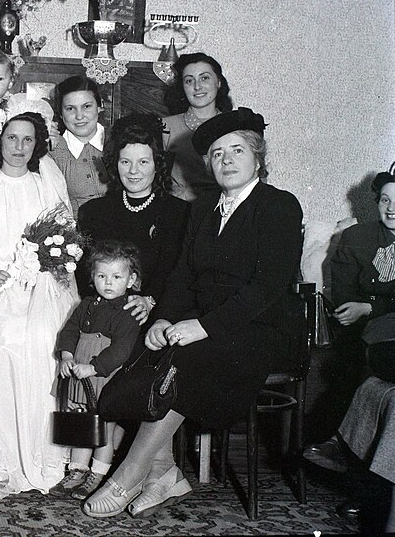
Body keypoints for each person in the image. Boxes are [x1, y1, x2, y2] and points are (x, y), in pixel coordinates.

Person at [82, 107, 304, 519]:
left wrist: (201, 327)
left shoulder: (278, 206)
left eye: (237, 151)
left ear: (258, 157)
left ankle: (130, 473)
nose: (227, 161)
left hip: (260, 329)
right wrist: (163, 319)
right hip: (201, 323)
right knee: (145, 351)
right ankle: (165, 474)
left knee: (183, 360)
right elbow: (183, 274)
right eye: (217, 154)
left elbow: (266, 288)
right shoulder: (203, 208)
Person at [0, 94, 76, 498]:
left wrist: (40, 270)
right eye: (11, 139)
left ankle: (48, 452)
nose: (19, 147)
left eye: (27, 140)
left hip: (42, 287)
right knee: (4, 342)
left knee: (44, 342)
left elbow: (63, 245)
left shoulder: (46, 183)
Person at [303, 170, 395, 531]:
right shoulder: (356, 238)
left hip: (376, 320)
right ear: (376, 202)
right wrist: (375, 309)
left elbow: (366, 302)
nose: (392, 209)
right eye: (386, 200)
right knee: (362, 359)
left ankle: (342, 444)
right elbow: (344, 300)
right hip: (373, 333)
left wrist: (373, 304)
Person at [50, 240, 142, 501]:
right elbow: (68, 331)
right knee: (80, 422)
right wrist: (66, 355)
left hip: (104, 376)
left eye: (116, 277)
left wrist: (94, 367)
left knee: (104, 429)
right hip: (79, 374)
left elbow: (122, 349)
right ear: (93, 277)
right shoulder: (87, 305)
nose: (108, 283)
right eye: (102, 276)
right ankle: (76, 471)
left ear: (131, 279)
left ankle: (97, 475)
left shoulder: (128, 312)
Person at [77, 113, 189, 309]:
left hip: (156, 314)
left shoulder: (179, 213)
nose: (133, 171)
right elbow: (86, 275)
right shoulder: (93, 212)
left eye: (143, 162)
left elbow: (175, 274)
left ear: (157, 165)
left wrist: (149, 300)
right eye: (125, 162)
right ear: (115, 164)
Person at [162, 53, 234, 201]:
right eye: (189, 81)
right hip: (181, 210)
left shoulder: (235, 126)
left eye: (205, 78)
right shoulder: (165, 127)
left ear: (219, 82)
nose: (197, 86)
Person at [51, 76, 109, 217]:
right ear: (60, 113)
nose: (79, 116)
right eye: (70, 108)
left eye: (87, 106)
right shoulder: (52, 149)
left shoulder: (120, 140)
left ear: (100, 107)